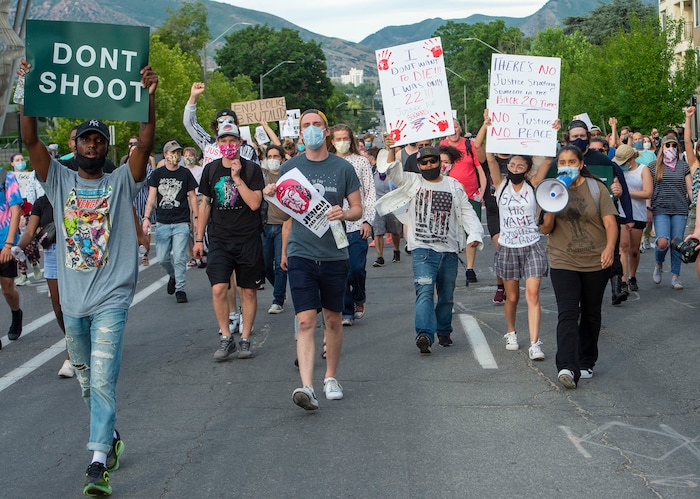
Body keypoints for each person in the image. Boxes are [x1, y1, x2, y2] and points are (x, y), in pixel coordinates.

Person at [19, 58, 159, 496]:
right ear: (75, 145)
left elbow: (145, 144)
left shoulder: (123, 182)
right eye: (87, 140)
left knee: (102, 376)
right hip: (74, 302)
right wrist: (29, 90)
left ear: (107, 148)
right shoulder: (57, 180)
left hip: (112, 298)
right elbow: (30, 138)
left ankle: (98, 459)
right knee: (84, 378)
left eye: (100, 140)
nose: (93, 146)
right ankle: (111, 437)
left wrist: (148, 99)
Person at [263, 109, 362, 410]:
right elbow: (282, 214)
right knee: (305, 320)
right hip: (300, 253)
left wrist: (344, 213)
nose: (311, 130)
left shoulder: (343, 168)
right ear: (300, 132)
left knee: (332, 319)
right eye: (306, 126)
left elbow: (358, 209)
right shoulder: (290, 167)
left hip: (334, 253)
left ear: (327, 130)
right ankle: (307, 386)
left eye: (316, 125)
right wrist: (271, 194)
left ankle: (330, 377)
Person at [376, 141, 483, 354]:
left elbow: (467, 211)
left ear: (440, 163)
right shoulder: (412, 182)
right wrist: (391, 149)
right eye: (423, 162)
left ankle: (444, 330)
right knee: (424, 291)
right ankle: (424, 333)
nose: (428, 164)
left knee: (446, 295)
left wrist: (475, 234)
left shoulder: (454, 185)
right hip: (423, 250)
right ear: (418, 165)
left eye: (432, 160)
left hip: (449, 251)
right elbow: (393, 172)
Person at [539, 145, 619, 389]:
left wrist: (609, 249)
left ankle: (586, 360)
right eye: (562, 162)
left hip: (595, 260)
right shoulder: (550, 188)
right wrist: (553, 202)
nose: (567, 166)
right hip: (564, 260)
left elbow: (611, 223)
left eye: (572, 162)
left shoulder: (597, 188)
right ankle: (566, 366)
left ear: (581, 164)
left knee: (591, 313)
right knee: (568, 312)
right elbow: (545, 228)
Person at [184, 81, 257, 333]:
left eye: (230, 121)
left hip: (244, 222)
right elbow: (190, 125)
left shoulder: (247, 151)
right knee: (222, 279)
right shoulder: (209, 145)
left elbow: (256, 183)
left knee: (240, 278)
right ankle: (232, 314)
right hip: (218, 221)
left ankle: (240, 315)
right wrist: (193, 98)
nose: (228, 143)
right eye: (221, 122)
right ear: (216, 129)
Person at [193, 121, 265, 361]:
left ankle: (244, 339)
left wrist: (237, 178)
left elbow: (255, 203)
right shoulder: (211, 170)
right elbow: (205, 204)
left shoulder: (252, 170)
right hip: (220, 239)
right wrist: (198, 238)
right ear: (218, 143)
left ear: (240, 143)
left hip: (247, 238)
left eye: (232, 141)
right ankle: (226, 337)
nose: (228, 145)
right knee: (218, 289)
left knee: (249, 292)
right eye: (223, 141)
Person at [564, 119, 632, 306]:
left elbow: (621, 188)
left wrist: (629, 216)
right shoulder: (562, 161)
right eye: (575, 136)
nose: (579, 139)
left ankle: (617, 287)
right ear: (568, 139)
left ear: (588, 136)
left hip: (606, 212)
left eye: (582, 136)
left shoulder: (604, 161)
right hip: (574, 217)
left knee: (613, 249)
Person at [15, 194, 72, 377]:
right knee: (58, 308)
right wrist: (16, 248)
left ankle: (70, 357)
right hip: (52, 253)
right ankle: (74, 340)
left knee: (72, 306)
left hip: (75, 250)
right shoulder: (42, 201)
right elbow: (30, 231)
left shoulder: (73, 194)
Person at [329, 124, 376, 326]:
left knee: (356, 267)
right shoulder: (328, 163)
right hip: (335, 226)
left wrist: (367, 220)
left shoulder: (361, 162)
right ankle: (346, 310)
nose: (341, 142)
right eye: (337, 139)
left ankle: (358, 296)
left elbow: (370, 192)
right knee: (342, 270)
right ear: (331, 142)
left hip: (357, 224)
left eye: (344, 138)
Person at [142, 140, 198, 304]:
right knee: (162, 258)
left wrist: (195, 218)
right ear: (166, 154)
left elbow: (192, 196)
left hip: (181, 221)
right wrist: (146, 218)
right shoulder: (157, 174)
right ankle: (173, 276)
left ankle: (180, 288)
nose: (176, 156)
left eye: (178, 153)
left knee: (180, 257)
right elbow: (152, 198)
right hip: (162, 222)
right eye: (173, 152)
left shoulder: (185, 173)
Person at [440, 118, 487, 285]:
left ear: (460, 128)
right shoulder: (441, 145)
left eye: (456, 126)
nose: (453, 130)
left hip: (470, 194)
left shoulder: (469, 145)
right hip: (448, 195)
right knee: (450, 231)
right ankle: (448, 267)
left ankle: (470, 268)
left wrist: (482, 190)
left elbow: (480, 168)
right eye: (450, 127)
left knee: (472, 232)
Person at [648, 134, 692, 289]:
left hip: (680, 208)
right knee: (662, 242)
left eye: (674, 146)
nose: (671, 148)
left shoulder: (683, 166)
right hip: (660, 208)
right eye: (668, 145)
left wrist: (695, 203)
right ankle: (659, 264)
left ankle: (675, 277)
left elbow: (689, 189)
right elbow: (649, 189)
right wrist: (648, 207)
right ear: (662, 148)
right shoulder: (653, 166)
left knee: (677, 243)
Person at [613, 145, 652, 294]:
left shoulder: (643, 170)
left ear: (631, 159)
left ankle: (632, 276)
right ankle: (623, 279)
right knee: (623, 246)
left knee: (634, 249)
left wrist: (626, 193)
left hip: (638, 213)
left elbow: (648, 192)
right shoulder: (616, 169)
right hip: (622, 212)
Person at [260, 144, 288, 313]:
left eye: (276, 156)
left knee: (280, 264)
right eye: (269, 156)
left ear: (282, 159)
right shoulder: (262, 177)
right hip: (265, 225)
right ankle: (279, 289)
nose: (272, 160)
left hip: (283, 226)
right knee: (264, 265)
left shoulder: (288, 176)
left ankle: (278, 299)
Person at [0, 166, 23, 348]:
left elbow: (15, 211)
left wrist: (8, 244)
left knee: (7, 289)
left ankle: (16, 312)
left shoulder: (6, 178)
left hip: (4, 242)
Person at [370, 148, 402, 267]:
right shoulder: (373, 171)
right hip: (378, 204)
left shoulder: (393, 171)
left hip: (392, 204)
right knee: (378, 231)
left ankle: (396, 250)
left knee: (395, 230)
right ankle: (379, 256)